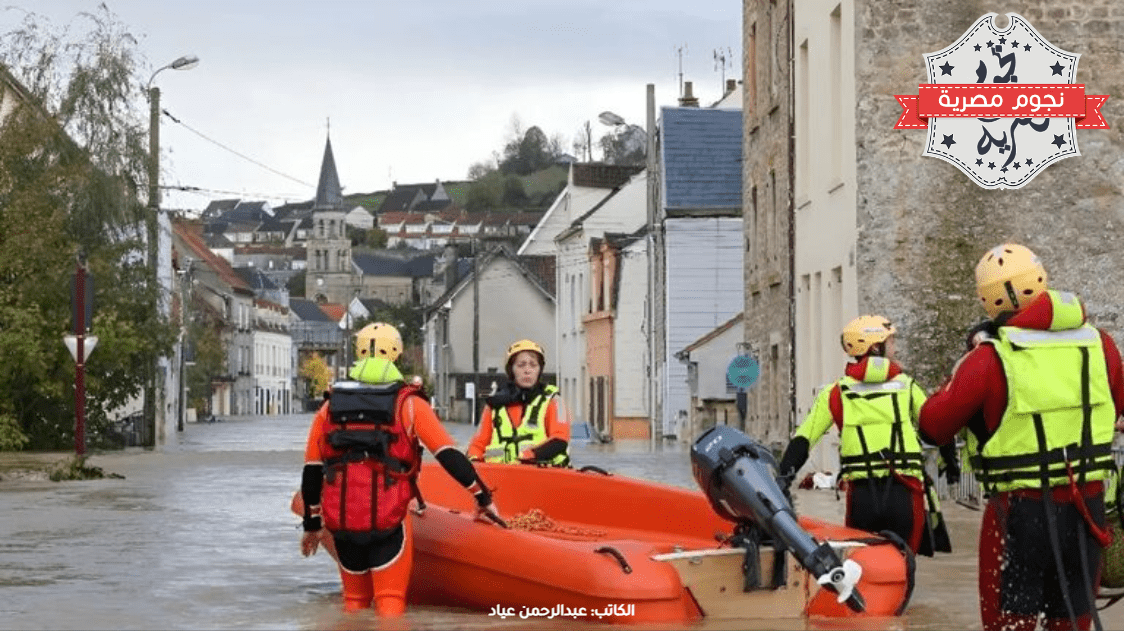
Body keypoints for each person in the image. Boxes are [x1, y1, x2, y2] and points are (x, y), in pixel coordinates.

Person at [919, 243, 1124, 631]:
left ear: (988, 300)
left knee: (1010, 623)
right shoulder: (1102, 346)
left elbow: (933, 425)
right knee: (1074, 621)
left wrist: (965, 362)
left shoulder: (989, 358)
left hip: (1018, 515)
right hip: (1087, 510)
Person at [299, 322, 501, 615]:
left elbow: (312, 470)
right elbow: (448, 456)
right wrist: (482, 498)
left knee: (353, 605)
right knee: (390, 603)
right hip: (389, 522)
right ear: (395, 354)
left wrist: (312, 525)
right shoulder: (410, 405)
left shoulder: (329, 408)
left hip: (342, 525)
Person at [777, 315, 955, 555]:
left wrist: (782, 479)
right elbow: (937, 424)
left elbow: (805, 438)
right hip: (903, 492)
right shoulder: (906, 386)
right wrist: (950, 460)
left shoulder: (836, 392)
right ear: (876, 347)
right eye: (891, 342)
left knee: (862, 563)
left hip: (862, 497)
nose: (896, 348)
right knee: (903, 564)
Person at [466, 339, 571, 466]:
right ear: (512, 370)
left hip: (543, 475)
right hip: (499, 477)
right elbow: (477, 445)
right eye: (521, 365)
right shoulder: (494, 405)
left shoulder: (554, 401)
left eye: (533, 365)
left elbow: (559, 440)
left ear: (539, 370)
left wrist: (530, 456)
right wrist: (474, 462)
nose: (527, 370)